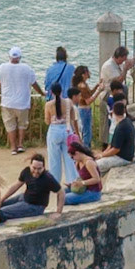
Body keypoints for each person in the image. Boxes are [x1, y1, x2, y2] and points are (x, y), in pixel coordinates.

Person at [0, 44, 40, 154]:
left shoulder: (3, 67)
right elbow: (34, 84)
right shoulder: (26, 68)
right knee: (22, 124)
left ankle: (13, 148)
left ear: (9, 57)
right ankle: (21, 145)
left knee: (10, 125)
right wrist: (42, 93)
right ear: (20, 57)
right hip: (22, 102)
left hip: (7, 102)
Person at [43, 45, 77, 188]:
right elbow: (73, 119)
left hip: (54, 130)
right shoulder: (70, 68)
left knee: (54, 159)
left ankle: (55, 184)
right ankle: (72, 181)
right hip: (67, 130)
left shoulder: (49, 105)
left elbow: (46, 121)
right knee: (69, 158)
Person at [0, 152, 64, 221]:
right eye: (34, 168)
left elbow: (61, 192)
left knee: (1, 212)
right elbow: (16, 186)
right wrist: (2, 200)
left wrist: (58, 212)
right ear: (30, 165)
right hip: (24, 197)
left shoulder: (48, 178)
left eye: (39, 169)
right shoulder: (26, 171)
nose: (36, 171)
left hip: (35, 206)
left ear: (44, 168)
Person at [95, 98, 135, 173]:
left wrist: (102, 156)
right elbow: (111, 145)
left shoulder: (121, 127)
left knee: (95, 165)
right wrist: (102, 154)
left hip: (122, 157)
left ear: (113, 112)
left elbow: (115, 149)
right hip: (126, 155)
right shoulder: (127, 121)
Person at [69, 64, 94, 149]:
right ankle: (86, 150)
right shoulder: (82, 86)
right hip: (84, 109)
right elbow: (88, 100)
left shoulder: (83, 84)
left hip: (84, 109)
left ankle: (87, 149)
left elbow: (90, 93)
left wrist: (97, 86)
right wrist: (99, 90)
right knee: (86, 132)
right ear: (84, 74)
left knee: (87, 131)